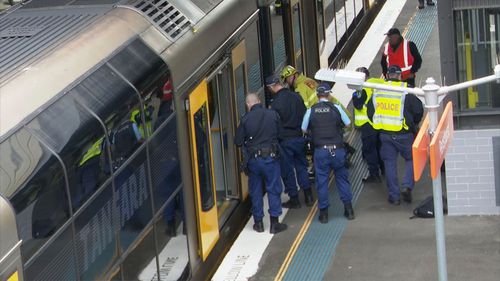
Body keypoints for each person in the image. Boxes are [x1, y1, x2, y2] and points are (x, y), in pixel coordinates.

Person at [367, 65, 424, 205]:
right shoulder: (406, 91)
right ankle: (407, 186)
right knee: (411, 159)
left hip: (385, 135)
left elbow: (370, 112)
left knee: (390, 164)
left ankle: (394, 196)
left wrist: (380, 123)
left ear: (386, 76)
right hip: (404, 134)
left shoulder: (378, 92)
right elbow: (418, 111)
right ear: (400, 76)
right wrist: (413, 123)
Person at [302, 83, 355, 223]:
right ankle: (349, 210)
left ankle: (324, 214)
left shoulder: (311, 110)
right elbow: (348, 123)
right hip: (337, 150)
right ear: (329, 94)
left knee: (322, 181)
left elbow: (303, 128)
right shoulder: (336, 108)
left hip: (320, 151)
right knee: (342, 179)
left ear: (318, 96)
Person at [235, 93, 287, 234]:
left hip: (254, 161)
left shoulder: (245, 119)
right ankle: (274, 223)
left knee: (256, 191)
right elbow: (281, 135)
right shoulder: (272, 114)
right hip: (271, 158)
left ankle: (258, 223)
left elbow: (238, 141)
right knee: (273, 188)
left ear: (248, 104)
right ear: (259, 101)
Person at [266, 74, 314, 208]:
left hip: (285, 141)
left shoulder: (275, 104)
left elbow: (273, 124)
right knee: (301, 167)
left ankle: (294, 199)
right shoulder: (296, 96)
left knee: (287, 171)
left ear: (271, 87)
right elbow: (305, 114)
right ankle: (308, 195)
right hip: (299, 137)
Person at [352, 67, 384, 183]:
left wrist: (355, 93)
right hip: (380, 122)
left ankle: (374, 174)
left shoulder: (361, 90)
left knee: (369, 150)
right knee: (379, 146)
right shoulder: (378, 83)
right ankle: (383, 169)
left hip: (367, 124)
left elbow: (358, 105)